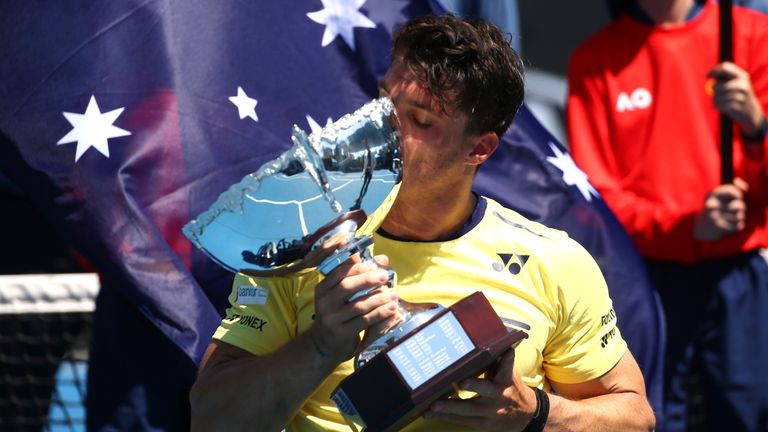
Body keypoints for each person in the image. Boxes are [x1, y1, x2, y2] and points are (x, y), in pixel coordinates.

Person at [190, 14, 655, 431]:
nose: (388, 126)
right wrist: (321, 345)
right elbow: (210, 418)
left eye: (420, 119)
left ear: (480, 149)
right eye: (384, 101)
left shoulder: (554, 260)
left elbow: (634, 417)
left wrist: (533, 413)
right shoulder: (306, 241)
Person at [566, 1, 768, 431]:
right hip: (645, 281)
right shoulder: (595, 59)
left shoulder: (753, 35)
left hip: (740, 276)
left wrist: (756, 126)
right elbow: (597, 200)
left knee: (747, 415)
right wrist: (688, 226)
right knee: (653, 416)